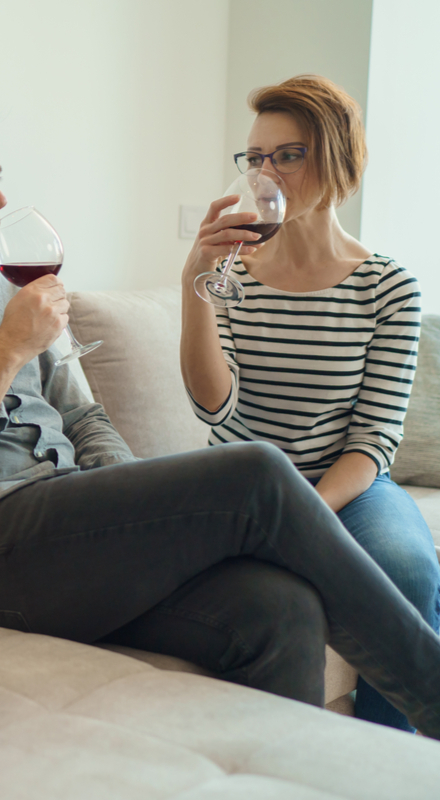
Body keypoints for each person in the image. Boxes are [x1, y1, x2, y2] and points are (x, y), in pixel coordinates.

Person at [0, 90, 440, 736]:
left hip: (66, 533)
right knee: (256, 474)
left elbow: (85, 418)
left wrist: (135, 516)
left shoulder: (8, 289)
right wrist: (6, 351)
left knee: (281, 607)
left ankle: (279, 777)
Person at [179, 74, 439, 732]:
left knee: (408, 569)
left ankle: (383, 753)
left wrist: (308, 514)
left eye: (289, 155)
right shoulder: (232, 273)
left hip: (345, 486)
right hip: (244, 488)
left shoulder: (388, 287)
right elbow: (214, 410)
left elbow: (373, 441)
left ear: (338, 160)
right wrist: (193, 283)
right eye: (255, 158)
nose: (266, 174)